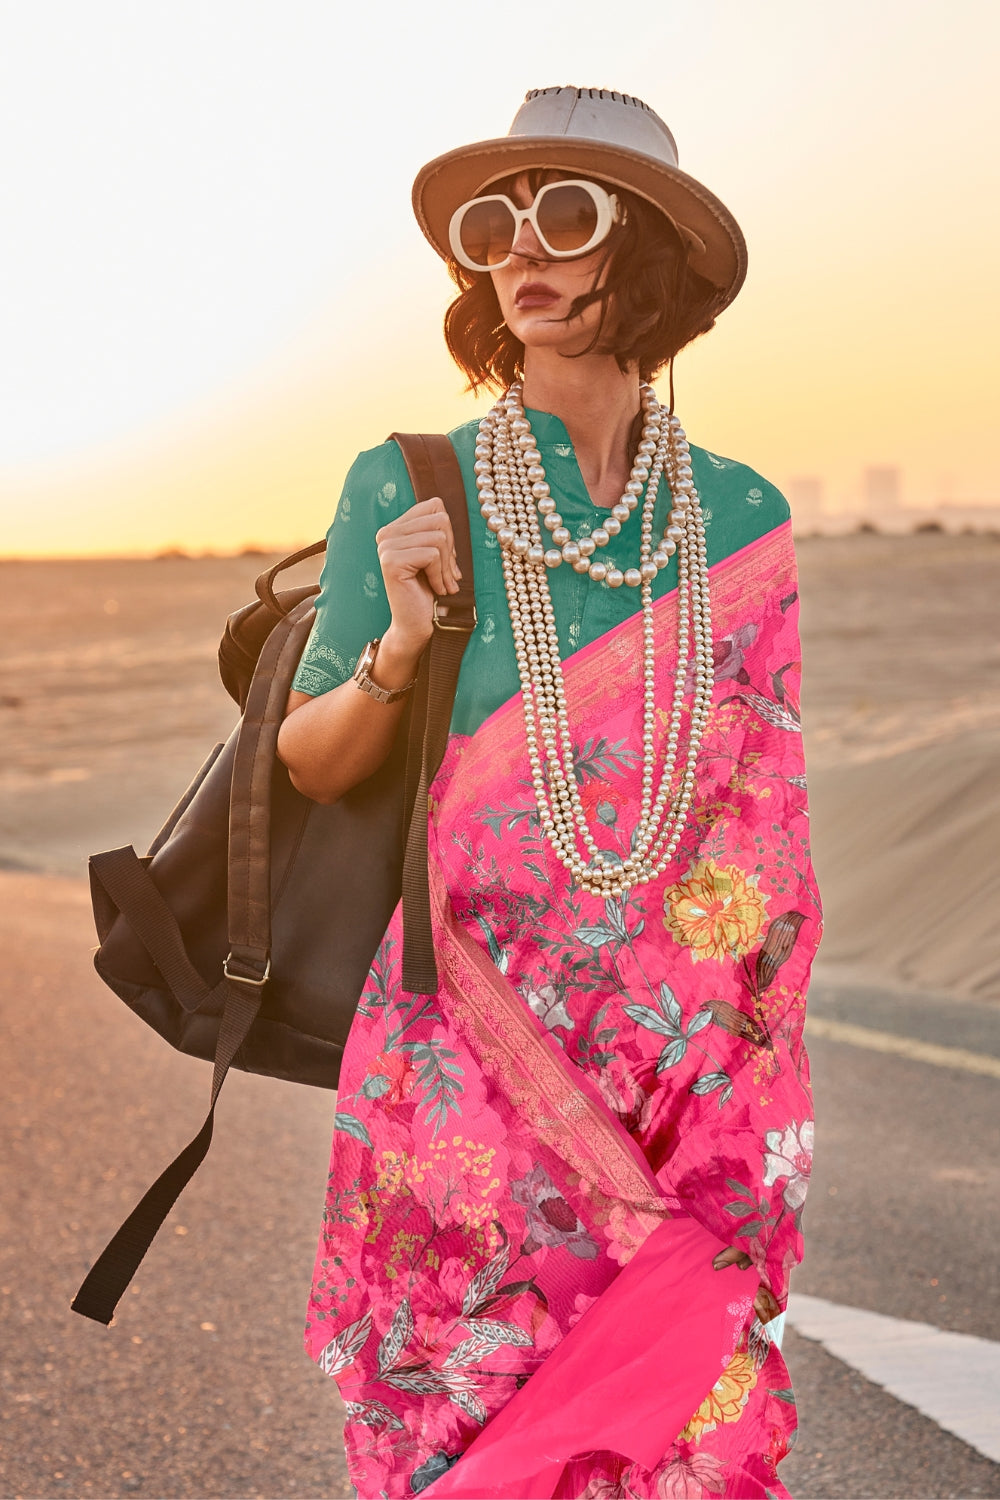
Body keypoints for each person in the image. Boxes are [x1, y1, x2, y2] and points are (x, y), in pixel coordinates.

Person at [277, 86, 819, 1500]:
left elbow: (765, 820)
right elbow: (311, 756)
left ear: (639, 255)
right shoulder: (412, 484)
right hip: (464, 1033)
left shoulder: (742, 515)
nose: (522, 250)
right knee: (465, 1404)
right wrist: (399, 640)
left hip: (671, 1059)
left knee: (674, 1410)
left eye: (563, 215)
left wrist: (734, 1063)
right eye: (491, 222)